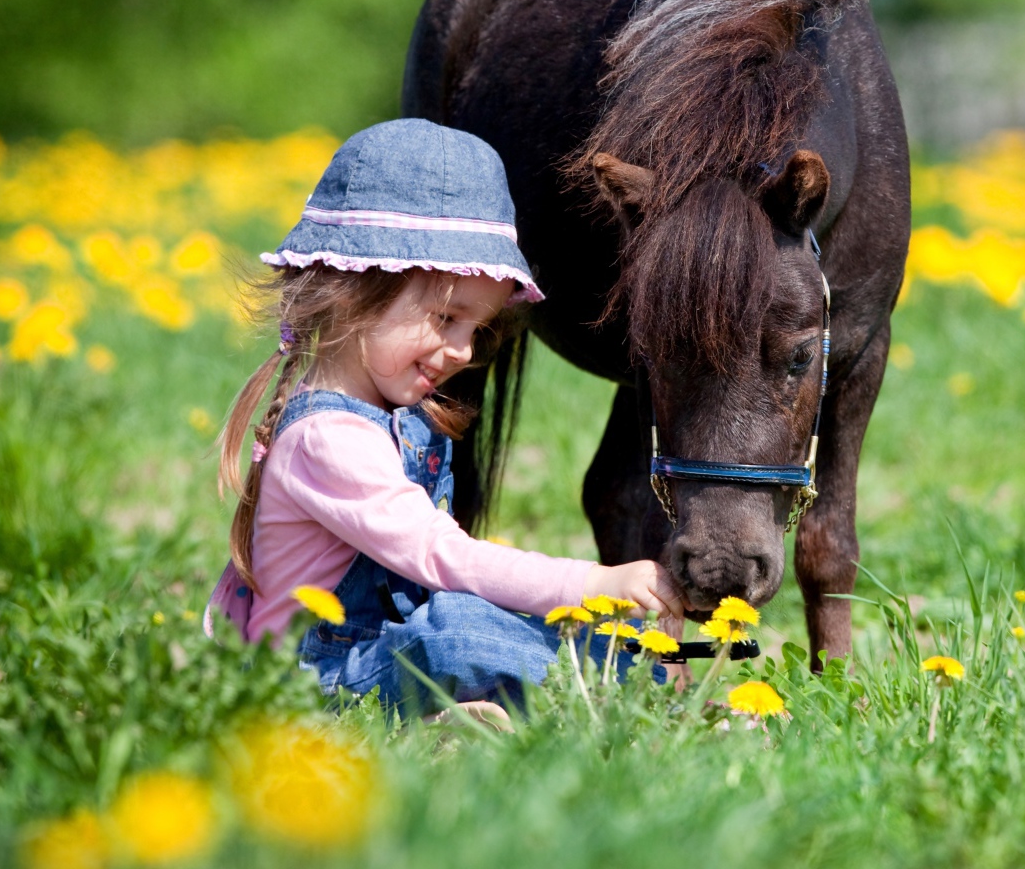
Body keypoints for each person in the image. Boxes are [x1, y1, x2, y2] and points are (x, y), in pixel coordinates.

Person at [203, 119, 682, 719]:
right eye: (446, 318)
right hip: (310, 686)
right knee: (458, 632)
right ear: (357, 289)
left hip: (378, 654)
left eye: (475, 329)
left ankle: (632, 684)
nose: (462, 351)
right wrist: (593, 584)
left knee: (477, 623)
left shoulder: (399, 417)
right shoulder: (326, 439)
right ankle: (638, 695)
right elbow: (442, 556)